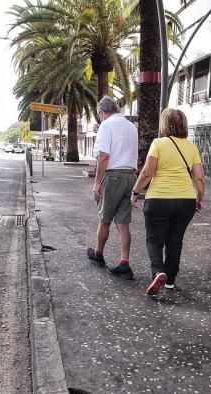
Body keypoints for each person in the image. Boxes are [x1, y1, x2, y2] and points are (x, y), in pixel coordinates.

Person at [130, 108, 205, 296]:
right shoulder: (191, 147)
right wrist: (199, 198)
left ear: (165, 124)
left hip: (159, 199)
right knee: (175, 241)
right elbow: (199, 178)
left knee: (154, 239)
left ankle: (158, 271)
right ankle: (170, 281)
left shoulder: (159, 143)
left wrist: (135, 192)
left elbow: (147, 172)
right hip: (185, 200)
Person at [86, 96, 139, 279]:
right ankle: (125, 263)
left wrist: (97, 183)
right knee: (123, 222)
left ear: (102, 112)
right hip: (131, 176)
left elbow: (104, 157)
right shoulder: (131, 126)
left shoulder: (106, 126)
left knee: (105, 218)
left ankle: (98, 254)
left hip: (113, 176)